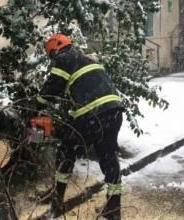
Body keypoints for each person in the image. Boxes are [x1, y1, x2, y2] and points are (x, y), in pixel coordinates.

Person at [34, 34, 124, 220]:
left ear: (55, 51)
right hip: (114, 111)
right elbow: (86, 100)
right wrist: (67, 124)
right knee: (108, 158)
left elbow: (50, 90)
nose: (53, 60)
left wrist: (34, 108)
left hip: (93, 114)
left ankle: (57, 200)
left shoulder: (64, 59)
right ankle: (114, 208)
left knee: (66, 150)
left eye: (52, 56)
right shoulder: (86, 59)